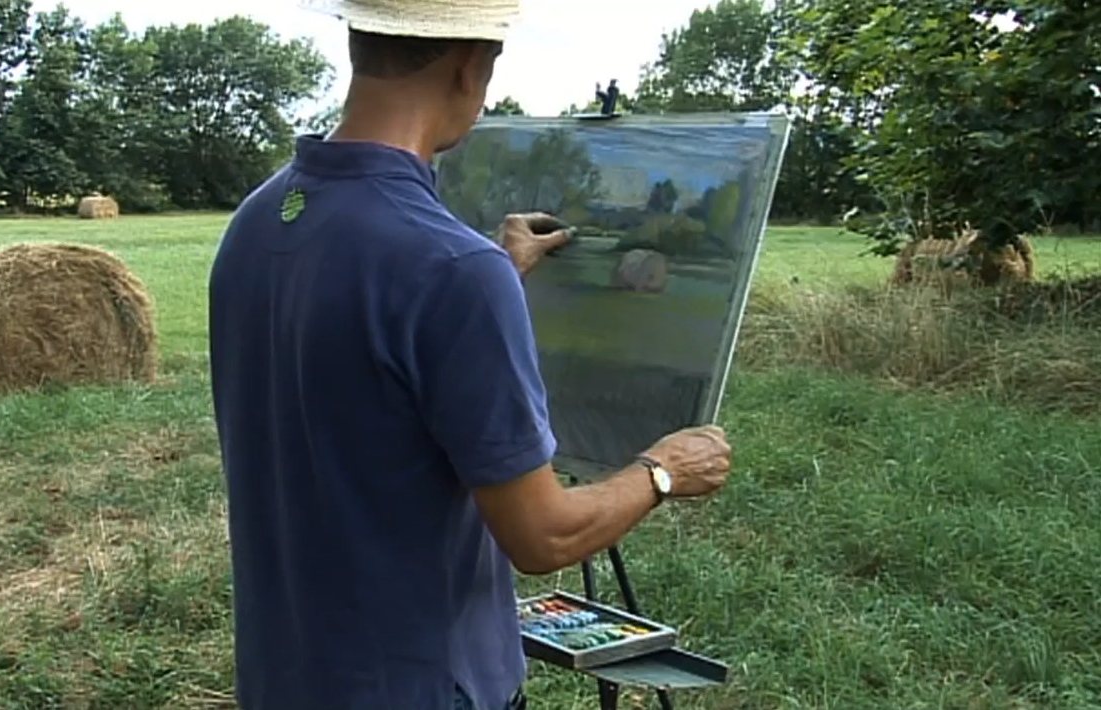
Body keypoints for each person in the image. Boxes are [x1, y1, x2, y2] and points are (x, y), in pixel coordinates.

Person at [206, 1, 733, 709]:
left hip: (284, 677)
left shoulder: (259, 217)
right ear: (470, 64)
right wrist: (663, 470)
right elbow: (543, 537)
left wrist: (491, 272)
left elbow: (362, 349)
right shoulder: (452, 271)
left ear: (359, 42)